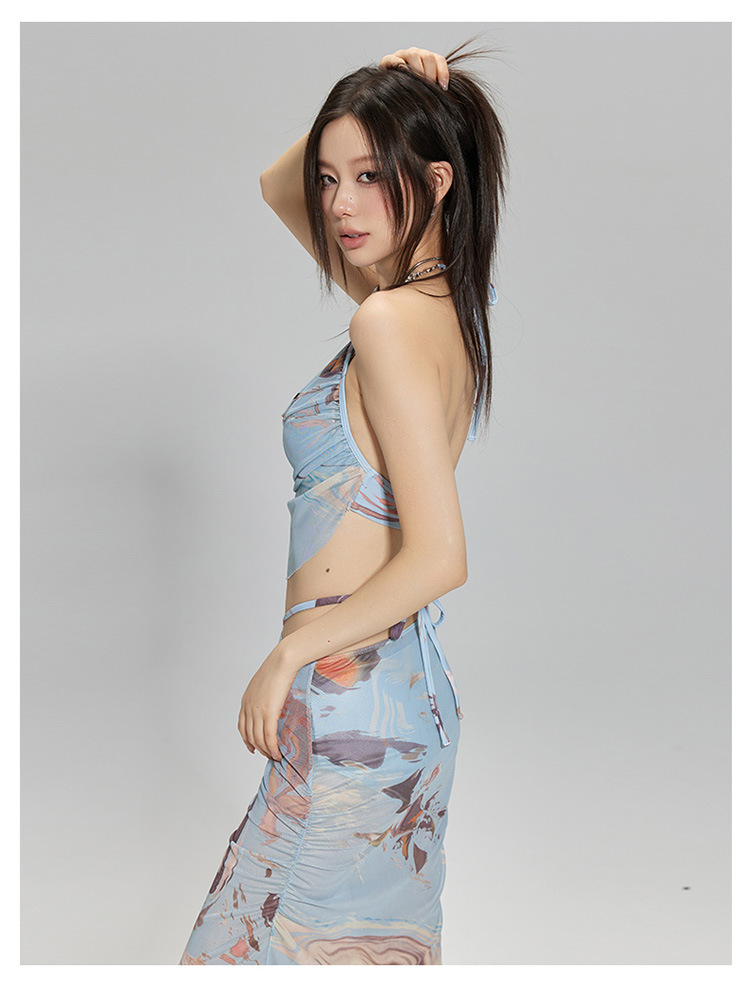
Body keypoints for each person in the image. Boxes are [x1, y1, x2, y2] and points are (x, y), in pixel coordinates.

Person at [178, 39, 508, 966]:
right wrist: (381, 86)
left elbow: (440, 555)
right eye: (331, 179)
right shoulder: (444, 309)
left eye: (370, 176)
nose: (337, 204)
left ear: (436, 182)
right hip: (393, 700)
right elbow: (275, 186)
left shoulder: (387, 319)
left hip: (350, 699)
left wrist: (291, 651)